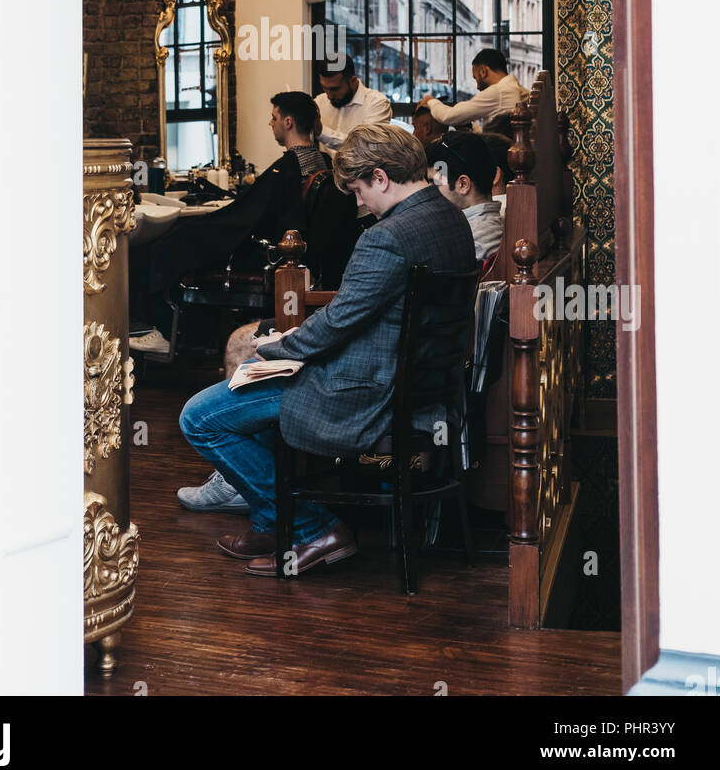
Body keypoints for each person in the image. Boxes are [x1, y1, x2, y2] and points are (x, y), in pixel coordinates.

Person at [178, 123, 476, 576]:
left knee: (199, 418)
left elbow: (339, 322)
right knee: (248, 402)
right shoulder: (449, 218)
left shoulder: (386, 237)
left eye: (358, 190)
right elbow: (360, 314)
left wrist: (279, 346)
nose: (357, 203)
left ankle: (310, 527)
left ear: (380, 177)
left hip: (361, 394)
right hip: (414, 386)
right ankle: (272, 520)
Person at [132, 92, 354, 360]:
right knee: (186, 238)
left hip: (265, 255)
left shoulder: (285, 169)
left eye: (274, 118)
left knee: (168, 243)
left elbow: (242, 219)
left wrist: (202, 223)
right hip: (299, 257)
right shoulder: (323, 163)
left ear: (288, 122)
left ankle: (160, 329)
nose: (269, 123)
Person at [432, 133, 503, 262]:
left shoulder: (473, 241)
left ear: (463, 184)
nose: (430, 192)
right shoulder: (492, 224)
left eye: (436, 183)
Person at [418, 48, 528, 131]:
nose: (477, 87)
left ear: (483, 71)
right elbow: (496, 136)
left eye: (476, 78)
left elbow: (449, 116)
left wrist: (430, 100)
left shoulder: (499, 92)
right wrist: (470, 127)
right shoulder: (518, 90)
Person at [314, 55, 392, 153]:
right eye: (324, 88)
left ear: (353, 81)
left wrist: (321, 132)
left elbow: (366, 146)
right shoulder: (320, 101)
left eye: (335, 89)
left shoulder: (377, 103)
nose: (329, 96)